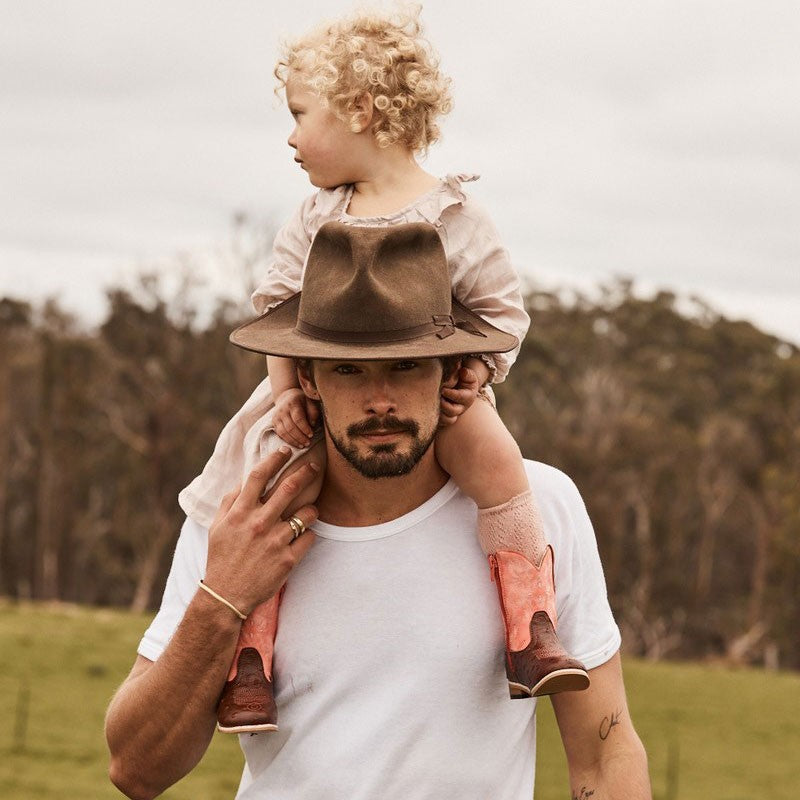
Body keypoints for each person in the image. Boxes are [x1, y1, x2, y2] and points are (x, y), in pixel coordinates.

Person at [105, 222, 651, 800]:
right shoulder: (241, 520)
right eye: (348, 369)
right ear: (308, 378)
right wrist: (224, 596)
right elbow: (136, 770)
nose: (380, 400)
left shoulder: (542, 507)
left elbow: (604, 752)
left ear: (454, 368)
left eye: (406, 365)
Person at [179, 4, 588, 735]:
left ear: (361, 111)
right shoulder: (315, 216)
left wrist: (478, 376)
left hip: (434, 393)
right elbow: (277, 306)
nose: (291, 136)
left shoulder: (457, 216)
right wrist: (285, 393)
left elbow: (502, 313)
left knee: (499, 466)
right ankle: (251, 663)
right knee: (268, 488)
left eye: (302, 114)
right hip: (315, 392)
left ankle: (531, 625)